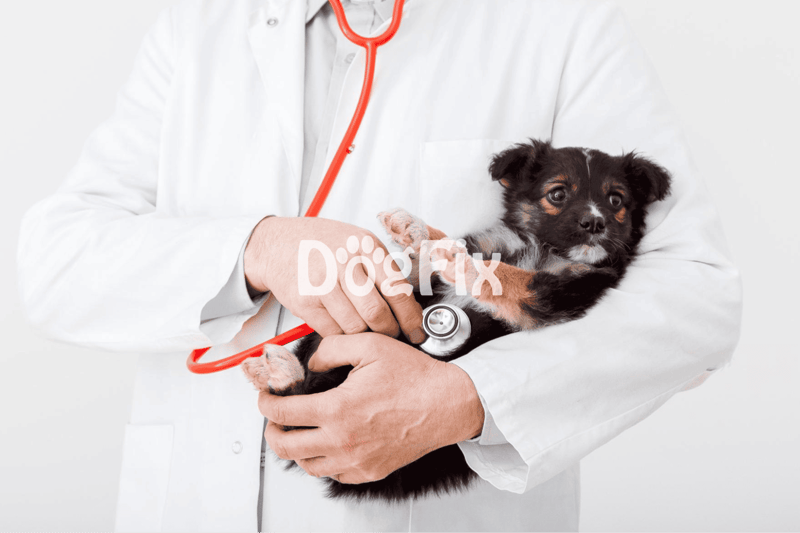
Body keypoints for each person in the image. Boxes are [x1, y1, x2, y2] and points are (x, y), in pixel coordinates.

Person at [17, 0, 742, 531]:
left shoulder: (556, 24)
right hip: (189, 507)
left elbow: (696, 292)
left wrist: (469, 397)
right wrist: (258, 248)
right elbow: (54, 262)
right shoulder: (199, 26)